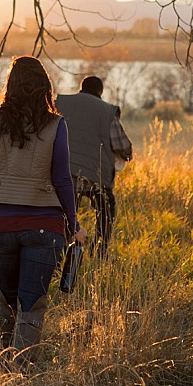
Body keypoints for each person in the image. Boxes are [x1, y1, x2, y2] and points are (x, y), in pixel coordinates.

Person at [0, 56, 87, 365]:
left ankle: (3, 366)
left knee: (8, 299)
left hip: (1, 226)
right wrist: (74, 223)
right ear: (44, 88)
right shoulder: (56, 125)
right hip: (44, 228)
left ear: (10, 86)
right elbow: (62, 179)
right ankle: (18, 370)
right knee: (32, 303)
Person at [55, 75, 133, 259]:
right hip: (96, 177)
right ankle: (99, 253)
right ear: (100, 92)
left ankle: (61, 255)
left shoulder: (61, 104)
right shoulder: (107, 111)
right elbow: (123, 146)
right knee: (106, 210)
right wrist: (127, 156)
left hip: (64, 175)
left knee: (63, 213)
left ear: (81, 88)